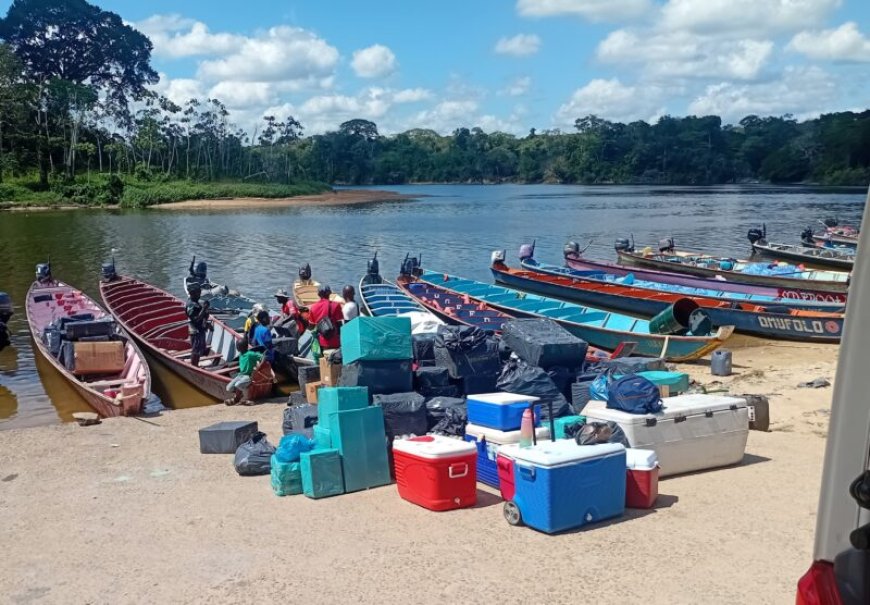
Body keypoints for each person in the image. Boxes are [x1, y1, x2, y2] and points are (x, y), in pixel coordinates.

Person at [225, 338, 273, 406]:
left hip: (248, 376)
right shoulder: (241, 354)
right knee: (228, 388)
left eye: (238, 346)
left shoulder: (250, 354)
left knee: (238, 385)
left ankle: (242, 398)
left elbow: (263, 357)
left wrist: (259, 366)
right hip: (240, 375)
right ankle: (239, 395)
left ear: (242, 347)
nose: (237, 347)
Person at [308, 285, 343, 352]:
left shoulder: (313, 307)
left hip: (321, 342)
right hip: (335, 341)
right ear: (329, 293)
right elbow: (340, 325)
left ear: (319, 294)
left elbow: (311, 327)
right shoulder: (336, 305)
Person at [185, 283, 210, 367]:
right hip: (195, 330)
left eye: (199, 292)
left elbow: (204, 316)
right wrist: (204, 308)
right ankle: (194, 366)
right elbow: (196, 319)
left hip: (200, 329)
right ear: (192, 293)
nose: (200, 294)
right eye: (198, 292)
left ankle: (197, 364)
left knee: (199, 348)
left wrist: (206, 322)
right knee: (195, 350)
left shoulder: (196, 302)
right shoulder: (190, 305)